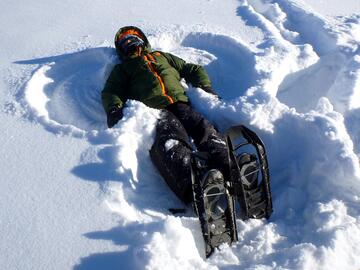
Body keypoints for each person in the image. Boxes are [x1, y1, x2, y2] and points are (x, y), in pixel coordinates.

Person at [101, 26, 229, 204]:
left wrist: (204, 87)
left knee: (203, 127)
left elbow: (190, 69)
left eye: (133, 39)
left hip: (180, 102)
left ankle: (229, 166)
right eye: (125, 41)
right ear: (121, 48)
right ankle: (193, 184)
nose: (130, 42)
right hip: (156, 109)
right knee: (171, 140)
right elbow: (111, 91)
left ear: (142, 41)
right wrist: (114, 108)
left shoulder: (162, 57)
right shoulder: (122, 69)